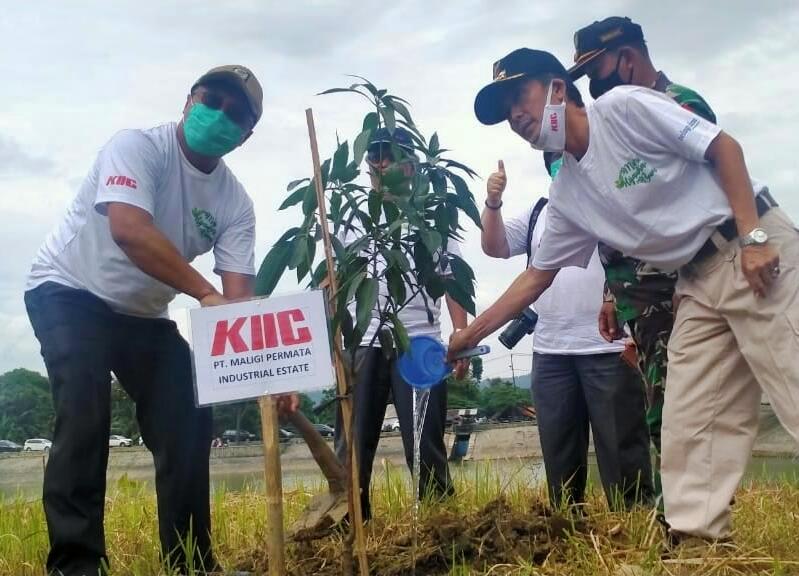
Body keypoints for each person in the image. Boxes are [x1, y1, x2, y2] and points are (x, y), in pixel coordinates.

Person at [453, 47, 799, 544]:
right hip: (694, 281)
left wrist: (754, 238)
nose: (515, 116)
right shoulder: (568, 193)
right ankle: (697, 545)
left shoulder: (624, 109)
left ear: (557, 88)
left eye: (519, 96)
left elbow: (723, 147)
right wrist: (466, 335)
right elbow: (535, 278)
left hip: (748, 245)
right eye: (506, 112)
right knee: (689, 420)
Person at [25, 65, 263, 575]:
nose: (218, 114)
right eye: (211, 99)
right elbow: (129, 229)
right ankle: (77, 565)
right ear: (188, 100)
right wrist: (203, 292)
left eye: (235, 113)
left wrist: (271, 370)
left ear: (246, 136)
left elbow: (239, 302)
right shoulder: (137, 147)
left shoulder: (235, 204)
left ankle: (192, 564)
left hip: (143, 313)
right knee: (84, 411)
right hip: (69, 289)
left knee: (189, 417)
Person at [568, 16, 718, 509]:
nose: (592, 89)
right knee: (662, 405)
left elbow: (706, 202)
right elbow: (620, 216)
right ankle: (682, 511)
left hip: (686, 290)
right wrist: (611, 294)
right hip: (643, 302)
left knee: (684, 407)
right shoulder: (615, 127)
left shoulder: (679, 107)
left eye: (595, 73)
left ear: (626, 59)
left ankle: (691, 513)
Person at [480, 152, 652, 509]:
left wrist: (634, 332)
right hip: (551, 352)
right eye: (554, 159)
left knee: (623, 448)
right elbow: (494, 247)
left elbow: (642, 263)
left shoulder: (613, 202)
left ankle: (635, 522)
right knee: (559, 451)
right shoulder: (539, 213)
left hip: (608, 349)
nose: (562, 165)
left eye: (569, 156)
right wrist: (492, 203)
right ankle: (566, 525)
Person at [333, 127, 469, 520]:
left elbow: (452, 280)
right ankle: (350, 527)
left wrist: (460, 336)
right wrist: (332, 346)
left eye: (389, 155)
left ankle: (440, 525)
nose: (380, 163)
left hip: (420, 342)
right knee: (352, 446)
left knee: (425, 443)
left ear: (410, 166)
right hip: (363, 342)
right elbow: (333, 284)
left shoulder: (431, 222)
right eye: (373, 156)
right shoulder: (350, 222)